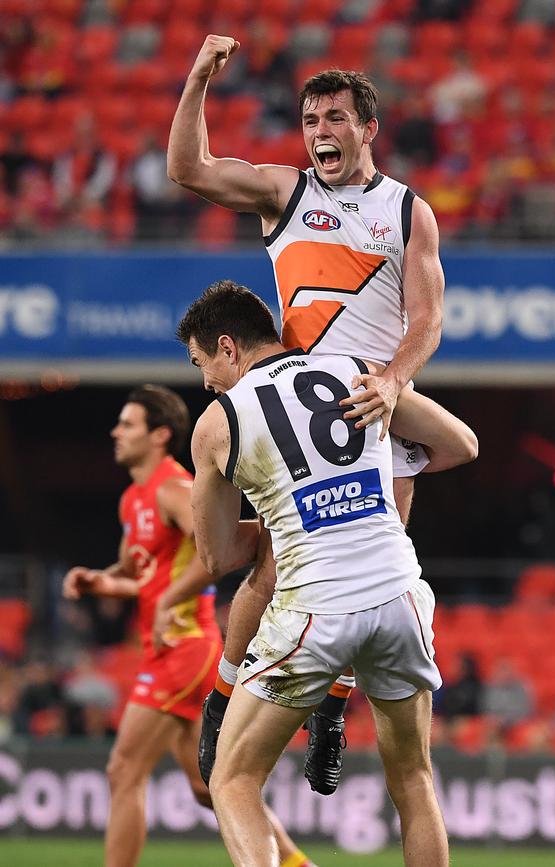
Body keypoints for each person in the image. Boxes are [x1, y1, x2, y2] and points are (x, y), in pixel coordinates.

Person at [167, 36, 449, 794]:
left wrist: (393, 380)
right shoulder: (286, 195)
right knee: (269, 568)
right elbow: (187, 170)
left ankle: (331, 706)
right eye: (310, 120)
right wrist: (197, 79)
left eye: (334, 118)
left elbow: (428, 318)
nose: (320, 131)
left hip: (378, 408)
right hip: (304, 411)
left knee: (376, 569)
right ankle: (224, 701)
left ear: (368, 128)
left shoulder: (407, 212)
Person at [169, 280, 468, 866]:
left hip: (318, 608)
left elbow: (218, 556)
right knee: (412, 779)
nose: (205, 379)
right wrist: (362, 492)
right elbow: (462, 445)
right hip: (401, 595)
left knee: (230, 781)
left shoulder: (218, 421)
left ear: (227, 347)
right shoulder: (359, 369)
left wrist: (296, 515)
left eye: (202, 362)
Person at [62, 385, 312, 867]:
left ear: (160, 435)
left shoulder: (175, 490)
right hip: (171, 648)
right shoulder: (133, 498)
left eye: (128, 424)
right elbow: (139, 575)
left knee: (124, 769)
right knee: (206, 785)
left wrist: (169, 600)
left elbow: (218, 553)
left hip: (184, 647)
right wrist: (98, 581)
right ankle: (299, 863)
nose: (115, 432)